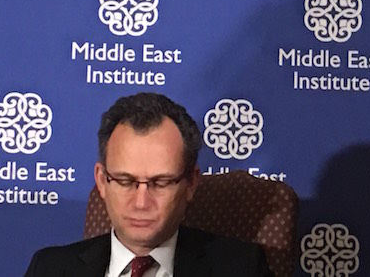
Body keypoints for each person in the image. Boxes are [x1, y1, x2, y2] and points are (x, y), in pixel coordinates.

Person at [25, 92, 272, 277]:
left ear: (191, 183)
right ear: (102, 181)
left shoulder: (242, 268)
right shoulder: (49, 269)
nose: (141, 202)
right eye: (125, 181)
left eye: (161, 182)